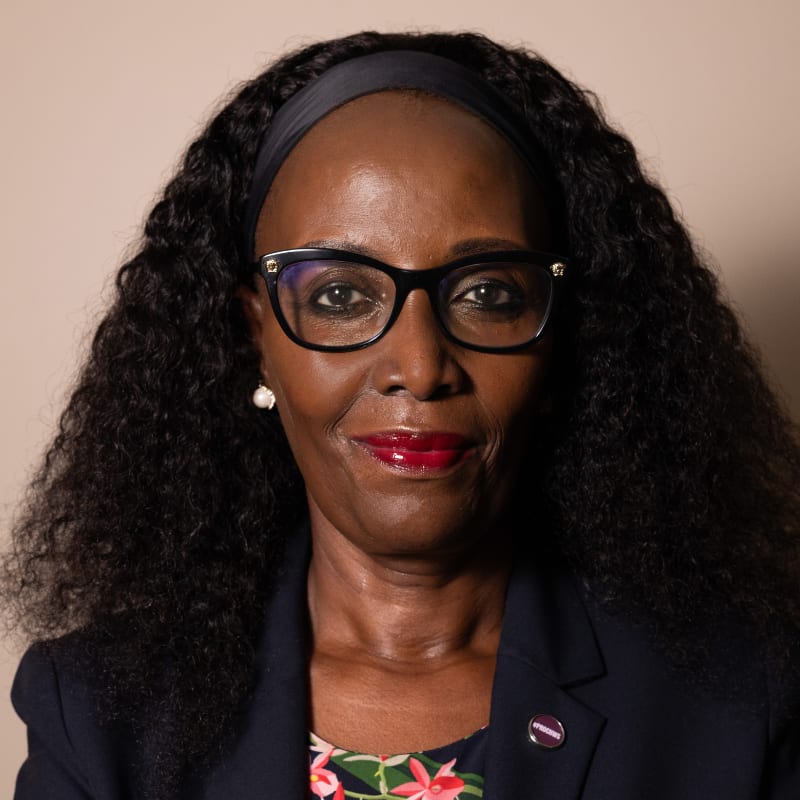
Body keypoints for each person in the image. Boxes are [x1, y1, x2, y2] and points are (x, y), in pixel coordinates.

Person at [3, 28, 799, 800]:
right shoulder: (102, 713)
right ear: (255, 341)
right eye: (341, 296)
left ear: (556, 334)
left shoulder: (739, 696)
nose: (420, 368)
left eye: (487, 294)